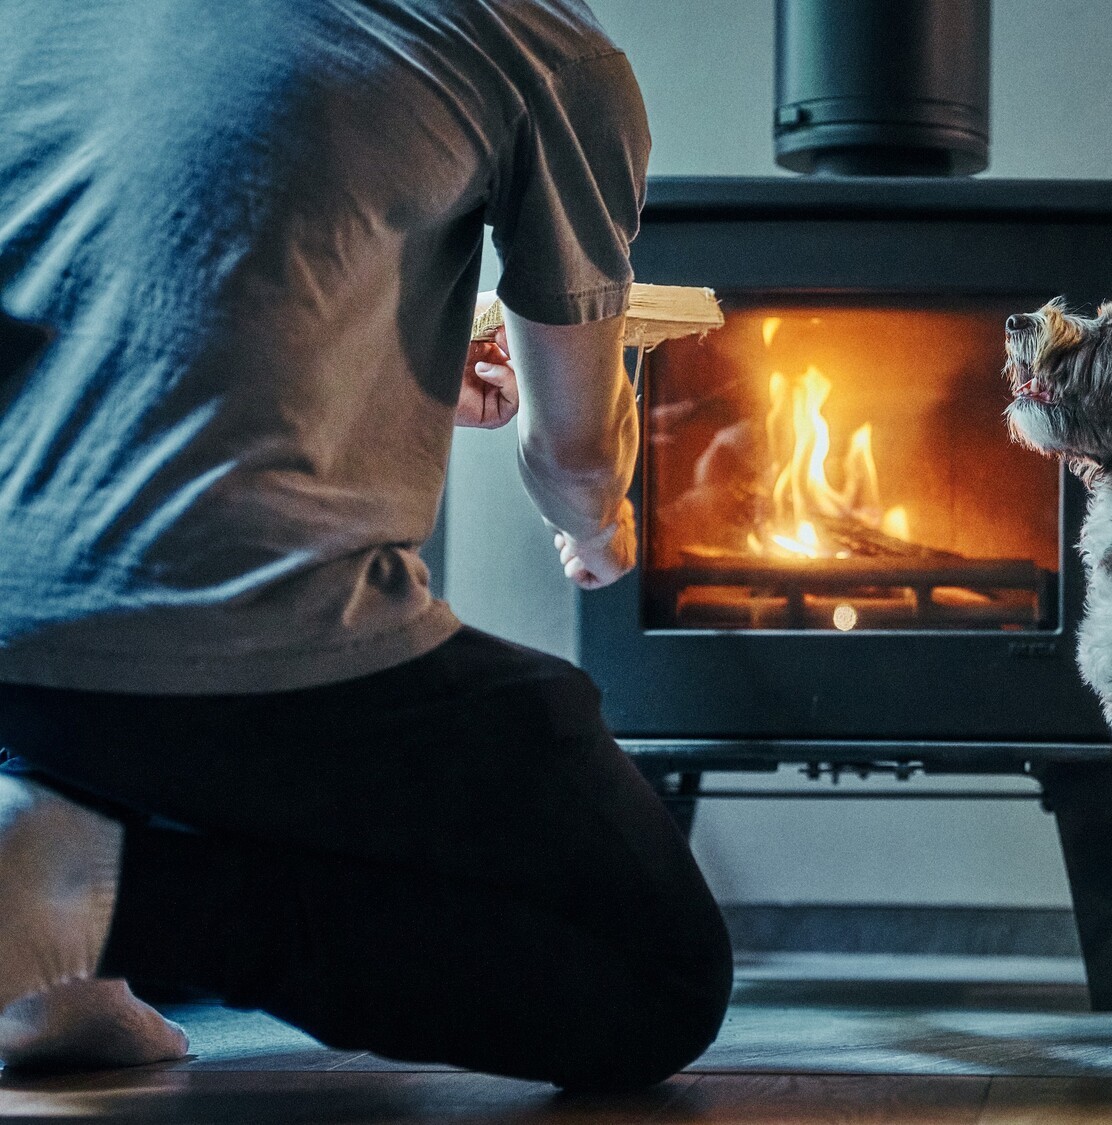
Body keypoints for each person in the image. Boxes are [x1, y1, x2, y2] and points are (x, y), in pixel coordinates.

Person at [0, 0, 731, 1091]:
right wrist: (600, 529)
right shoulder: (540, 41)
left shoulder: (64, 20)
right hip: (231, 627)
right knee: (657, 978)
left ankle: (54, 954)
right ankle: (104, 899)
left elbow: (139, 330)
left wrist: (399, 381)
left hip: (19, 637)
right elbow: (574, 458)